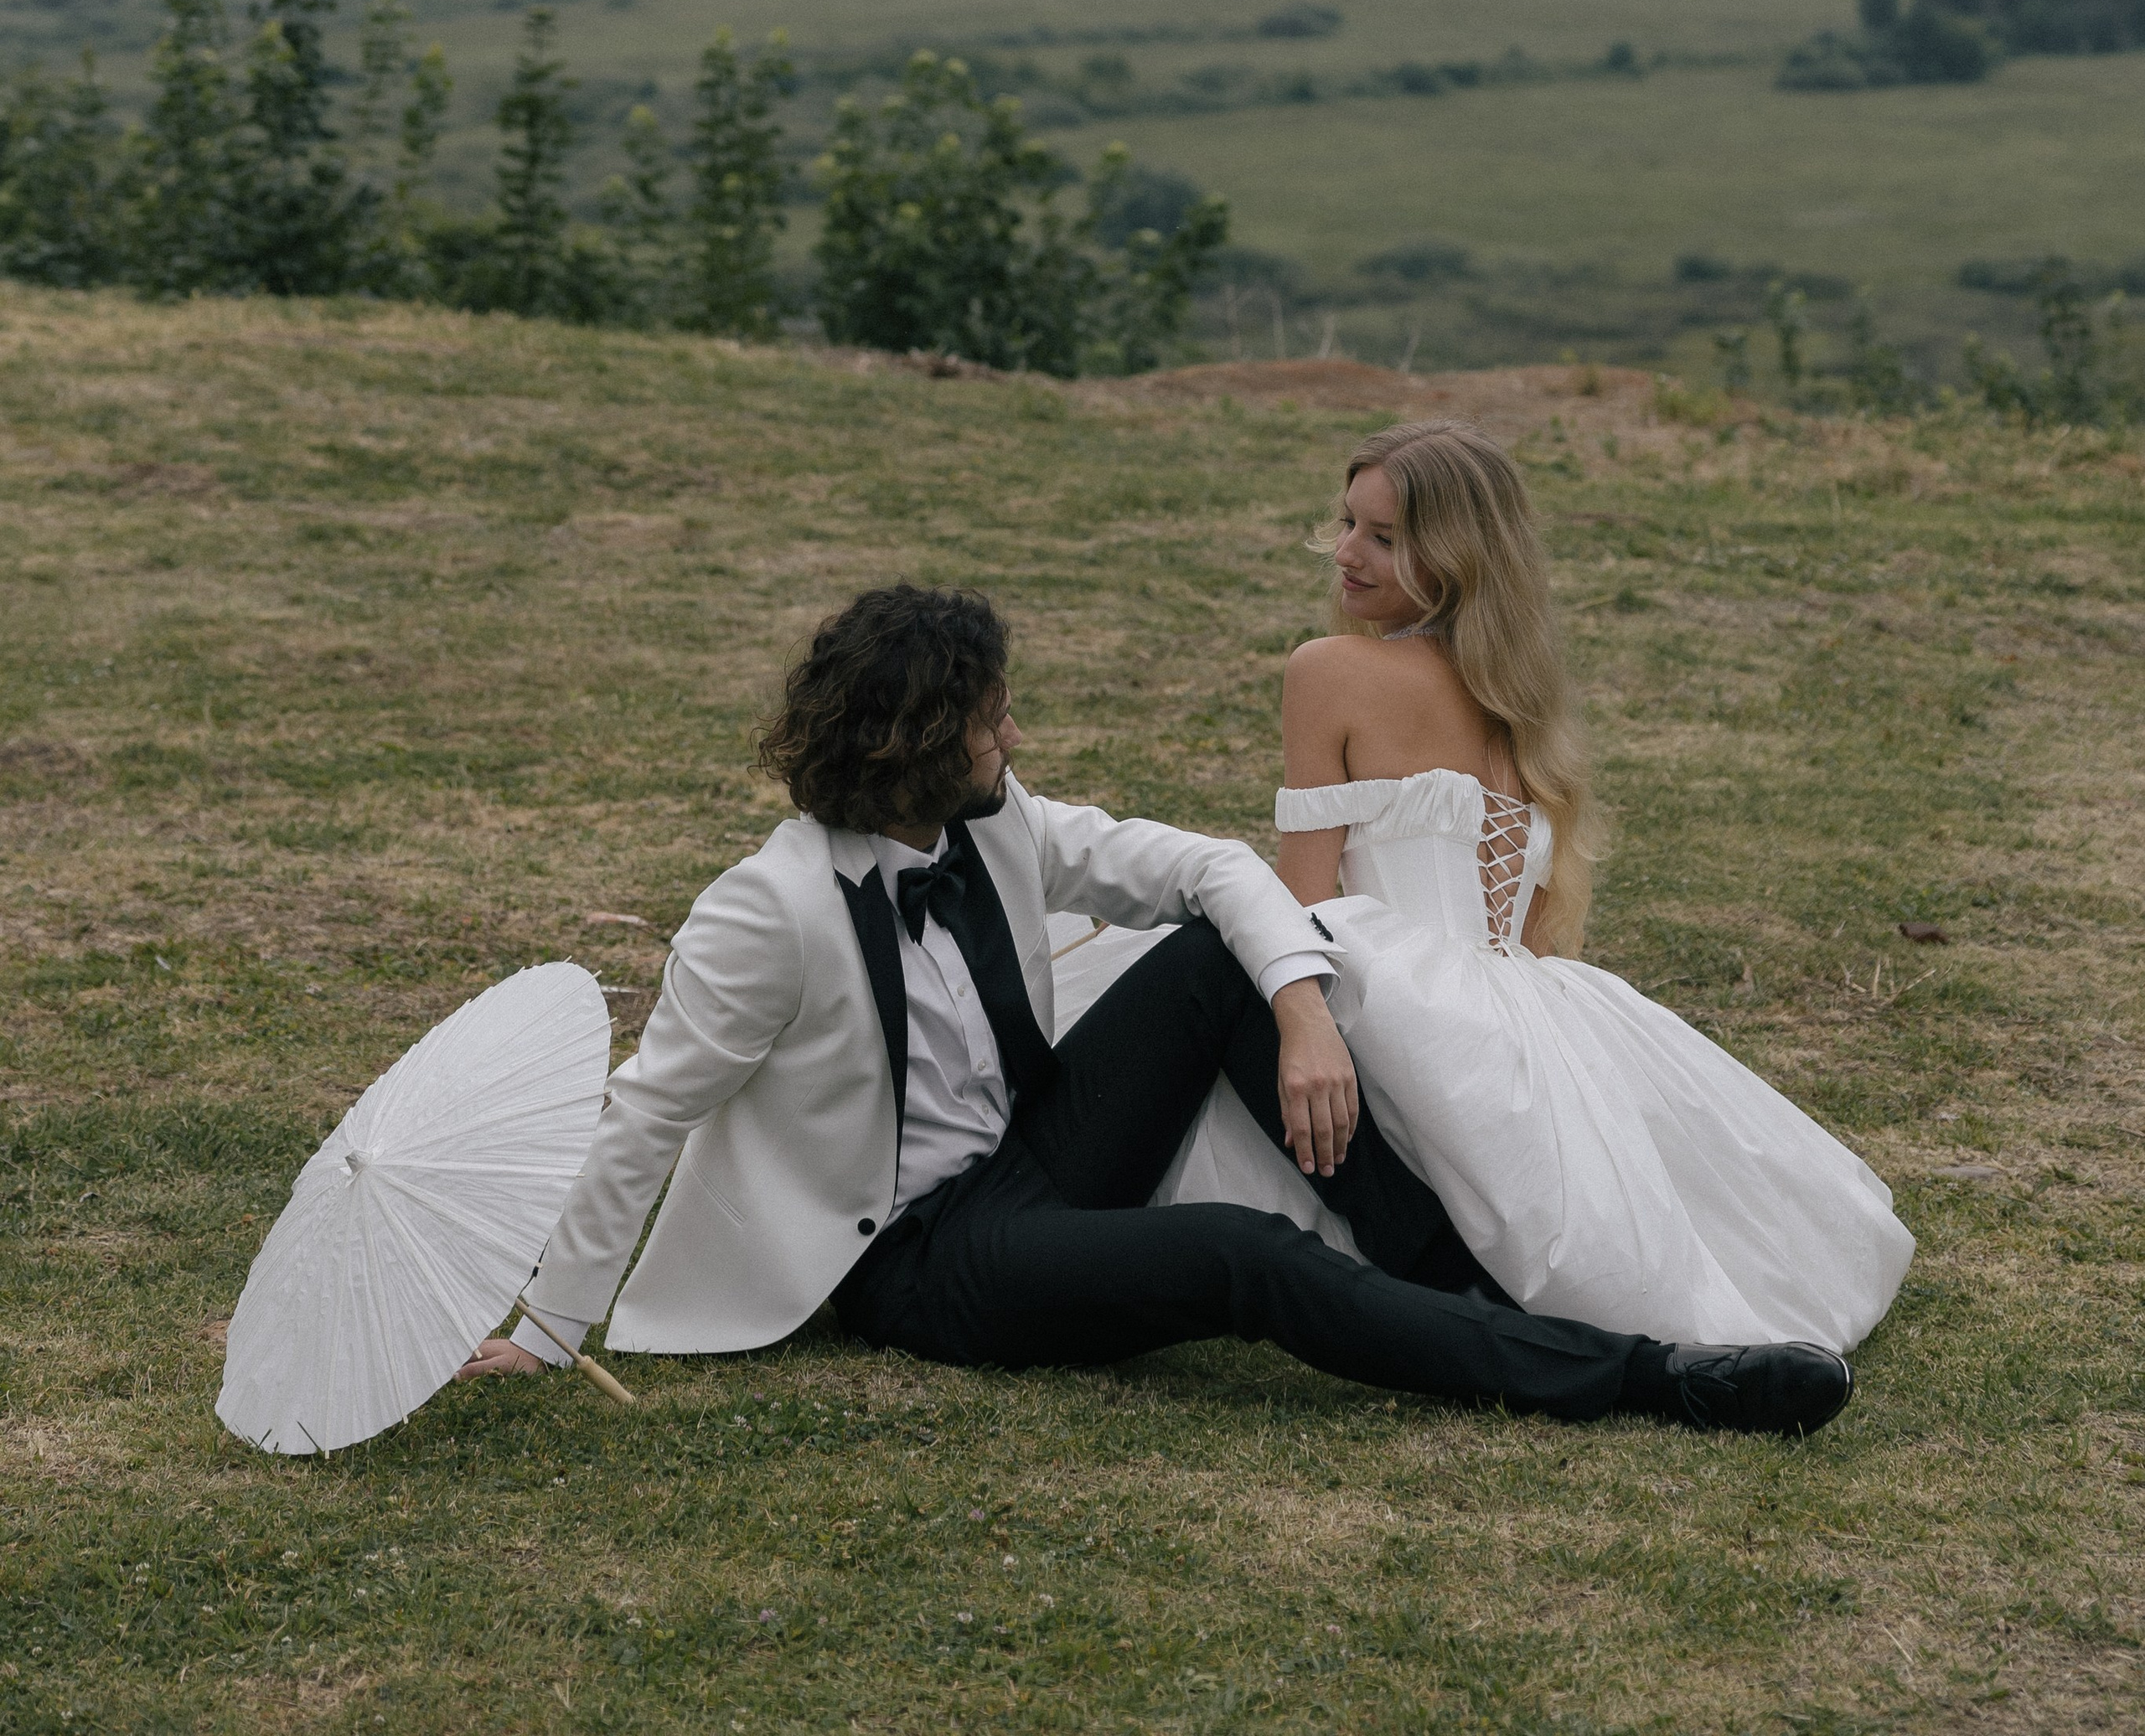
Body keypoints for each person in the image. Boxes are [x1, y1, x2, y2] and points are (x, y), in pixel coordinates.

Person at [459, 580, 1852, 1434]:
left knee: (1217, 957)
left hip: (1038, 1154)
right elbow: (648, 1115)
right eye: (994, 722)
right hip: (918, 1259)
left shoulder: (997, 821)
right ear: (910, 744)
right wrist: (546, 1328)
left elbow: (1206, 868)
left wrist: (1304, 1013)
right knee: (1239, 1257)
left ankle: (1457, 1300)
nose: (1017, 742)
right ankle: (1649, 1384)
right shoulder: (765, 914)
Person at [1138, 422, 1913, 1353]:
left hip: (1385, 981)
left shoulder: (1329, 669)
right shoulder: (1518, 698)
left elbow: (1300, 903)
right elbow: (1533, 928)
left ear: (1458, 557)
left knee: (1166, 984)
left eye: (1383, 538)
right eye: (1346, 522)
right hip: (1522, 997)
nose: (1345, 552)